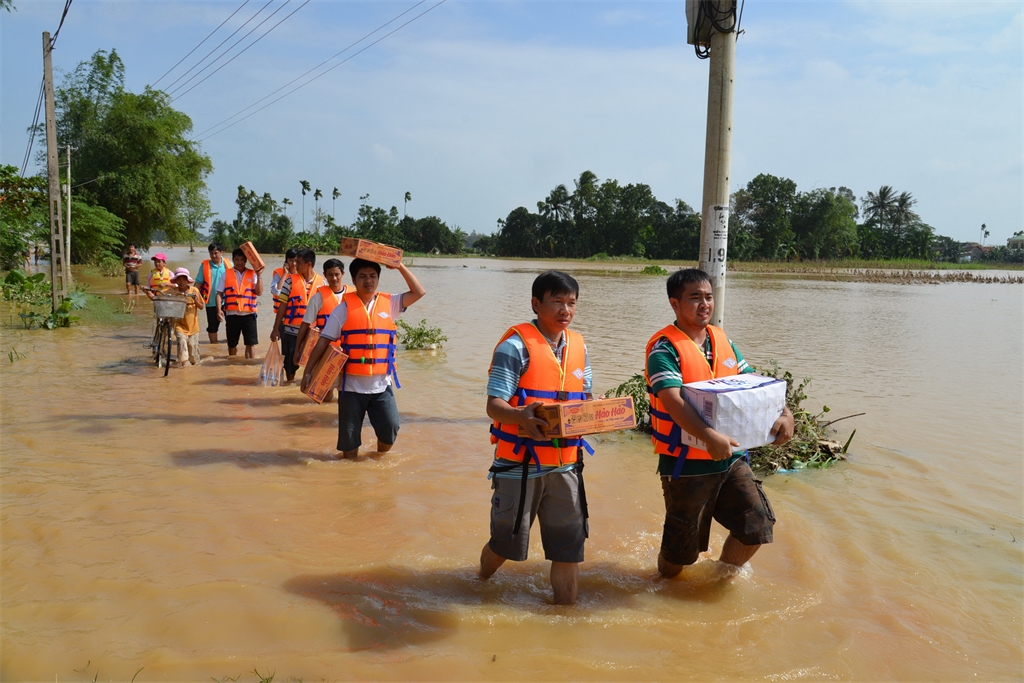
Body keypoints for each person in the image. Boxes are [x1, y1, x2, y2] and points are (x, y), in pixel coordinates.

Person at [644, 268, 794, 578]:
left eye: (709, 297)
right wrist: (709, 436)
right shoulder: (663, 348)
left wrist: (785, 413)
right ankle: (663, 592)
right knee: (679, 555)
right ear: (675, 303)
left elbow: (755, 386)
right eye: (695, 298)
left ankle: (720, 577)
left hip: (732, 458)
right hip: (687, 463)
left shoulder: (721, 338)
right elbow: (674, 402)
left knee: (757, 525)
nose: (705, 304)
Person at [477, 271, 594, 605]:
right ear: (536, 304)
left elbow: (585, 399)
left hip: (566, 465)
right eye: (557, 301)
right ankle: (478, 581)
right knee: (505, 545)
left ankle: (566, 616)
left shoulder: (580, 347)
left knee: (569, 548)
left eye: (571, 303)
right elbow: (494, 405)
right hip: (520, 464)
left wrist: (597, 415)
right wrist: (520, 417)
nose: (565, 310)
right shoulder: (514, 347)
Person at [301, 258, 425, 459]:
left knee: (390, 432)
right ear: (353, 279)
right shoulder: (343, 308)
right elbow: (323, 341)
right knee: (349, 449)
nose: (368, 280)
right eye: (363, 276)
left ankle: (377, 460)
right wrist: (307, 372)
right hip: (351, 388)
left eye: (373, 276)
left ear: (378, 279)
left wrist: (399, 266)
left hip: (382, 386)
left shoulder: (391, 303)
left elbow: (419, 292)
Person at [294, 258, 352, 401]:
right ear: (325, 275)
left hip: (349, 351)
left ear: (343, 274)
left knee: (348, 393)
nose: (334, 278)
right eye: (330, 275)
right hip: (326, 351)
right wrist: (298, 350)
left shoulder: (353, 295)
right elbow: (305, 325)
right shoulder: (318, 298)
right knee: (325, 395)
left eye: (337, 274)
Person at [270, 248, 326, 383]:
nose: (295, 265)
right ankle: (289, 385)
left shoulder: (322, 283)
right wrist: (276, 328)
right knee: (290, 365)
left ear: (309, 265)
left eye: (298, 262)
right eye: (294, 261)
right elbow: (282, 305)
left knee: (314, 364)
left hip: (312, 333)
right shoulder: (289, 282)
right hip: (290, 330)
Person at [215, 248, 265, 358]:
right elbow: (219, 294)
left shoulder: (253, 274)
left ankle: (249, 366)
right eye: (237, 259)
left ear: (246, 260)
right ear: (233, 260)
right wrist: (218, 310)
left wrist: (259, 275)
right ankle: (232, 364)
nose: (239, 262)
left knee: (250, 343)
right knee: (232, 343)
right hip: (232, 315)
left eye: (242, 260)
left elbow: (259, 292)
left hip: (249, 314)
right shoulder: (226, 274)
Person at [170, 267, 205, 368]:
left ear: (187, 280)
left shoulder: (194, 290)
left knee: (194, 358)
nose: (181, 281)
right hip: (179, 325)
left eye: (183, 279)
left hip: (193, 327)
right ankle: (183, 369)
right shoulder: (173, 292)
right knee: (182, 345)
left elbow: (201, 307)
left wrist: (195, 299)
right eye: (179, 279)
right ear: (175, 280)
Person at [195, 243, 227, 345]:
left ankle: (231, 345)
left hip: (228, 302)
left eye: (216, 253)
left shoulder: (229, 265)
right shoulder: (205, 266)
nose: (213, 256)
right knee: (212, 327)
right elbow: (199, 282)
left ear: (221, 253)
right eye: (211, 253)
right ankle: (214, 347)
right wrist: (192, 293)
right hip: (211, 302)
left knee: (232, 325)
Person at [270, 248, 299, 317]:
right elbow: (276, 292)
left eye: (296, 260)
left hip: (297, 314)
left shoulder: (303, 275)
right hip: (282, 314)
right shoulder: (279, 273)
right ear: (286, 261)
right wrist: (285, 274)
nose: (294, 263)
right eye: (291, 260)